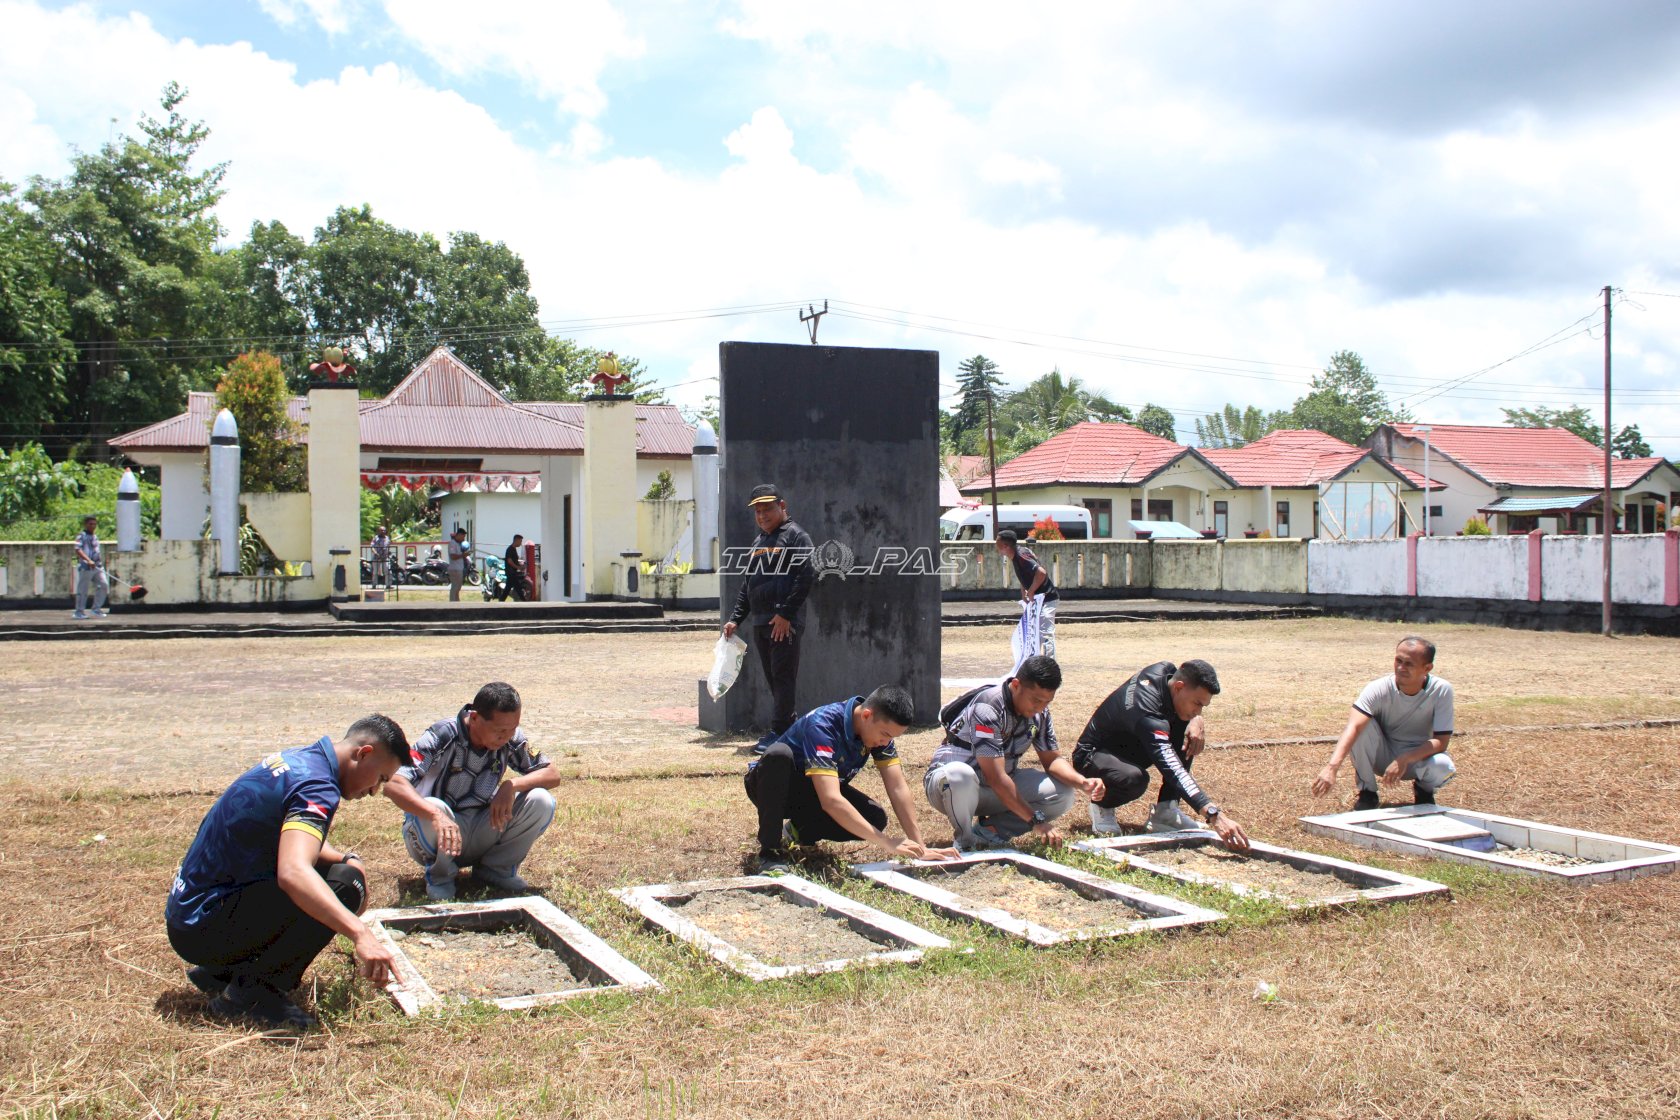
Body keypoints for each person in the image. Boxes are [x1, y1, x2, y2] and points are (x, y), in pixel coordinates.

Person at [165, 714, 410, 1032]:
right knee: (343, 887)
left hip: (190, 915)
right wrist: (360, 934)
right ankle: (252, 992)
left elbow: (292, 837)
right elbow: (293, 872)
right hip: (204, 927)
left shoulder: (303, 760)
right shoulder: (318, 786)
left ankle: (221, 970)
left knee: (338, 871)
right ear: (363, 754)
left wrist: (347, 857)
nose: (375, 791)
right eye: (380, 778)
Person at [746, 685, 958, 870]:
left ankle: (798, 830)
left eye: (892, 737)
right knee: (778, 755)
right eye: (885, 735)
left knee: (874, 817)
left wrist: (919, 845)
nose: (886, 742)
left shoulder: (877, 733)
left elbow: (897, 787)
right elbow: (830, 800)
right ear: (866, 715)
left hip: (811, 791)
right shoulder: (823, 725)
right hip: (770, 786)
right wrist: (886, 842)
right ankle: (770, 853)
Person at [384, 681, 559, 900]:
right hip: (435, 829)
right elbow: (394, 784)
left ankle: (496, 870)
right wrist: (435, 815)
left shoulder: (511, 738)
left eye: (512, 728)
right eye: (499, 730)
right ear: (475, 718)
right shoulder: (442, 735)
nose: (506, 736)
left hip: (482, 825)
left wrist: (511, 785)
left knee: (540, 800)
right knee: (434, 806)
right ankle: (440, 876)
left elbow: (552, 773)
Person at [923, 654, 1099, 849]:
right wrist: (1036, 822)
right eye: (1036, 700)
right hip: (951, 788)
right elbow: (995, 777)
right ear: (1016, 685)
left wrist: (1081, 782)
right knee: (959, 775)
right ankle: (964, 843)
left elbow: (1052, 760)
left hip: (994, 788)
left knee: (1063, 793)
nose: (1040, 708)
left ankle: (988, 833)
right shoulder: (987, 707)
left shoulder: (1040, 713)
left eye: (1046, 703)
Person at [1072, 659, 1251, 850]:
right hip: (1092, 756)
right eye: (1197, 704)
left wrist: (1196, 718)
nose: (1198, 710)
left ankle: (1166, 811)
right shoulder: (1147, 711)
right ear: (1179, 687)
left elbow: (1180, 677)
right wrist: (1214, 815)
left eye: (1203, 707)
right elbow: (1172, 767)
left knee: (1188, 731)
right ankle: (1103, 805)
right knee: (1134, 779)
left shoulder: (1166, 672)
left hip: (1131, 745)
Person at [1312, 636, 1456, 811]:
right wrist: (1332, 767)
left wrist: (1405, 758)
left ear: (1427, 668)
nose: (1401, 668)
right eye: (1398, 660)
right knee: (1360, 729)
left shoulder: (1441, 690)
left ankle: (1424, 791)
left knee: (1443, 765)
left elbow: (1441, 741)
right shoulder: (1378, 688)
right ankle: (1367, 792)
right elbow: (1354, 726)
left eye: (1409, 663)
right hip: (1383, 757)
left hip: (1418, 759)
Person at [722, 484, 816, 743]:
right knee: (774, 678)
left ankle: (780, 731)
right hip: (762, 621)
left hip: (782, 622)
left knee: (783, 677)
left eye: (768, 509)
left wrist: (786, 614)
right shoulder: (759, 541)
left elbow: (806, 575)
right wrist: (735, 619)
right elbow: (748, 584)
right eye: (758, 511)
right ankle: (789, 729)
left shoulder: (796, 536)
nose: (762, 516)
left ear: (782, 506)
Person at [996, 529, 1057, 659]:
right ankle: (1036, 663)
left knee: (1045, 633)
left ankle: (1050, 666)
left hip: (1046, 597)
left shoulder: (1021, 555)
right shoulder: (1017, 555)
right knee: (1035, 634)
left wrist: (1031, 591)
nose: (996, 547)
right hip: (1037, 599)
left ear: (1006, 546)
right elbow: (1026, 575)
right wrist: (1024, 591)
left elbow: (1041, 572)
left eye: (998, 544)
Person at [73, 514, 109, 619]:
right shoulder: (81, 536)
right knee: (83, 590)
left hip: (97, 567)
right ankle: (79, 612)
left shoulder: (95, 537)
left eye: (94, 524)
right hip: (86, 567)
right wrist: (88, 560)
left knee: (103, 585)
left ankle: (96, 609)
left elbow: (96, 551)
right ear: (85, 524)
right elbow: (77, 549)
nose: (93, 526)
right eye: (90, 524)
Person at [502, 534, 530, 602]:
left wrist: (521, 565)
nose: (521, 543)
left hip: (513, 572)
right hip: (510, 572)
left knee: (508, 589)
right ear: (516, 540)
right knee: (517, 588)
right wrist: (518, 567)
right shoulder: (510, 549)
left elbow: (514, 560)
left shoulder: (514, 549)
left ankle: (501, 601)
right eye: (520, 541)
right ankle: (524, 601)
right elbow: (509, 561)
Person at [446, 527, 469, 601]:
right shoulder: (452, 543)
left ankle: (457, 602)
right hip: (455, 569)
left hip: (459, 568)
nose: (463, 538)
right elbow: (453, 556)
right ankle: (453, 602)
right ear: (459, 535)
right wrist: (463, 555)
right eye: (463, 536)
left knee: (458, 588)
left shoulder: (458, 544)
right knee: (455, 587)